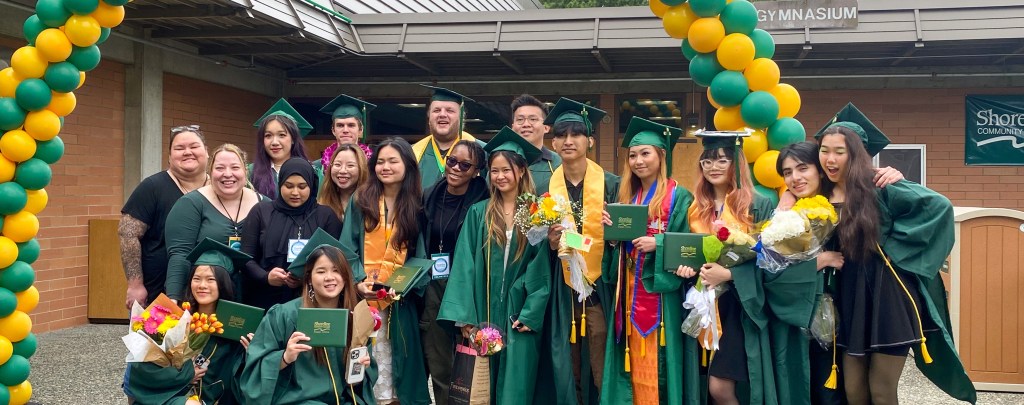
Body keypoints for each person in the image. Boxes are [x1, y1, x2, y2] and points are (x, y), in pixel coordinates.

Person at [814, 104, 975, 405]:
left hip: (887, 295)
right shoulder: (817, 194)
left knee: (882, 389)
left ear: (857, 153)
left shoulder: (880, 186)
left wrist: (890, 248)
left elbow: (939, 208)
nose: (830, 159)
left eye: (840, 151)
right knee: (853, 390)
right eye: (824, 150)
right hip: (848, 296)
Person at [438, 127, 553, 404]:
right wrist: (465, 316)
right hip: (484, 314)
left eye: (506, 170)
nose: (500, 176)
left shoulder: (536, 213)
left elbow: (541, 266)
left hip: (518, 314)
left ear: (522, 171)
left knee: (518, 385)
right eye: (495, 170)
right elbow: (465, 263)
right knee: (481, 388)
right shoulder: (480, 212)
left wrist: (531, 312)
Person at [675, 130, 777, 405]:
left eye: (722, 160)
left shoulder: (758, 205)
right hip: (701, 303)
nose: (713, 167)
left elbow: (772, 259)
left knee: (720, 387)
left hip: (738, 305)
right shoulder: (696, 209)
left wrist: (730, 274)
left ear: (736, 164)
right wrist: (685, 269)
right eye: (707, 161)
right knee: (705, 382)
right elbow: (689, 253)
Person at [600, 117, 693, 405]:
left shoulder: (680, 196)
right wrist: (612, 238)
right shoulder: (626, 196)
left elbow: (689, 244)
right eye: (632, 155)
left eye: (645, 153)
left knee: (662, 358)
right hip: (628, 293)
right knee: (631, 354)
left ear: (661, 155)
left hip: (662, 295)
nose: (638, 161)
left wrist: (659, 243)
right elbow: (616, 253)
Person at [537, 98, 618, 405]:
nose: (568, 141)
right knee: (565, 361)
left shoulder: (611, 184)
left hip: (600, 285)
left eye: (576, 134)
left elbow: (624, 236)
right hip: (561, 284)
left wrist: (612, 238)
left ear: (590, 141)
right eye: (561, 135)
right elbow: (533, 241)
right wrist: (549, 240)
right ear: (553, 141)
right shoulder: (543, 186)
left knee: (601, 356)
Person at [340, 137, 431, 404]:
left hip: (398, 303)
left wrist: (404, 285)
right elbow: (347, 248)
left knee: (398, 368)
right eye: (380, 162)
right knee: (363, 363)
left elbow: (420, 255)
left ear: (407, 166)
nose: (385, 167)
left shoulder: (416, 205)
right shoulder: (361, 201)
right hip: (363, 300)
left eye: (393, 161)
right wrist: (357, 281)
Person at [240, 230, 374, 405]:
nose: (329, 278)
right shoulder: (284, 315)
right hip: (298, 401)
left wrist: (359, 368)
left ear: (346, 276)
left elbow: (359, 384)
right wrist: (284, 358)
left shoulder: (356, 317)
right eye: (321, 271)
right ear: (309, 278)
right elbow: (255, 370)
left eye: (336, 270)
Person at [127, 238, 253, 405]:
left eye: (211, 279)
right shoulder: (167, 314)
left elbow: (238, 381)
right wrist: (186, 374)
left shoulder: (231, 328)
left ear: (223, 284)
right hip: (165, 397)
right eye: (196, 278)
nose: (202, 285)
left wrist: (251, 355)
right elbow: (139, 369)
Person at [418, 139, 488, 405]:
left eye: (465, 164)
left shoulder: (483, 203)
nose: (456, 168)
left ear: (476, 171)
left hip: (469, 287)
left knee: (472, 361)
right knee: (440, 363)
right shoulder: (430, 196)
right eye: (451, 160)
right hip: (435, 286)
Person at [120, 124, 209, 309]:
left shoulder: (220, 189)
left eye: (194, 146)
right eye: (179, 148)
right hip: (158, 294)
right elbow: (128, 234)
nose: (187, 152)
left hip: (209, 294)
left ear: (206, 152)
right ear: (169, 156)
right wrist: (135, 285)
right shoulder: (152, 187)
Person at [241, 157, 343, 310]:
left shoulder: (325, 216)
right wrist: (266, 276)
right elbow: (245, 259)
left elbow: (337, 261)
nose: (295, 192)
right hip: (264, 297)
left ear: (311, 186)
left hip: (311, 300)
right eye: (288, 186)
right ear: (280, 183)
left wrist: (305, 278)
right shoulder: (261, 211)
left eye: (302, 186)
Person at [165, 144, 263, 301]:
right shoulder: (191, 204)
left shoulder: (264, 205)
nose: (228, 174)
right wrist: (173, 299)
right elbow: (179, 255)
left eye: (235, 167)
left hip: (254, 297)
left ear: (246, 171)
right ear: (210, 172)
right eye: (220, 168)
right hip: (206, 299)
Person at [411, 85, 483, 189]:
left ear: (461, 116)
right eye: (436, 110)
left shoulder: (483, 151)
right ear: (429, 117)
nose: (442, 114)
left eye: (450, 110)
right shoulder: (412, 153)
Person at [250, 99, 314, 199]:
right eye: (268, 136)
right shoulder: (250, 172)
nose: (275, 142)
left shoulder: (311, 172)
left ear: (293, 138)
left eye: (282, 135)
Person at [510, 94, 562, 193]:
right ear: (513, 127)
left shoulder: (558, 164)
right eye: (520, 120)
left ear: (546, 127)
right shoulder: (499, 161)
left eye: (533, 119)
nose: (526, 124)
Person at [316, 94, 376, 169]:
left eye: (351, 125)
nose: (345, 130)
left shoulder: (373, 164)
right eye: (340, 125)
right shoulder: (318, 166)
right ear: (333, 130)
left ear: (360, 130)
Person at [319, 143, 370, 222]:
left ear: (362, 168)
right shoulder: (321, 202)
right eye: (337, 164)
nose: (342, 170)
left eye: (350, 165)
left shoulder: (371, 203)